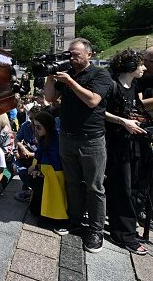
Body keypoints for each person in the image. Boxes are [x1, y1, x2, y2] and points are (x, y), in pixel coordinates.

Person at [44, 37, 112, 253]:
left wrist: (70, 82)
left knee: (94, 187)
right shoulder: (67, 72)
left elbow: (93, 101)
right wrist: (50, 77)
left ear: (89, 55)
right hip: (67, 137)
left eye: (76, 54)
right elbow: (49, 99)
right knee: (72, 182)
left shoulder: (100, 74)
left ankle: (95, 230)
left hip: (91, 139)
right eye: (69, 54)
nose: (71, 58)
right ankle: (74, 220)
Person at [104, 50, 150, 255]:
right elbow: (99, 111)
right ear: (131, 66)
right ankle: (124, 235)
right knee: (122, 188)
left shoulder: (134, 86)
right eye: (141, 64)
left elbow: (137, 111)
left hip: (134, 143)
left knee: (132, 187)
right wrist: (123, 121)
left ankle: (125, 229)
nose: (145, 68)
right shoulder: (113, 86)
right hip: (118, 145)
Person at [26, 111, 68, 234]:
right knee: (34, 210)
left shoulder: (56, 140)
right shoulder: (46, 138)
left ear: (47, 126)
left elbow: (54, 163)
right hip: (45, 176)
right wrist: (36, 168)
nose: (35, 129)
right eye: (34, 126)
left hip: (54, 178)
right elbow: (40, 157)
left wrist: (38, 170)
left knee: (47, 213)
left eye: (38, 127)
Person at [13, 106, 41, 202]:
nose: (32, 121)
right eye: (30, 118)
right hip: (26, 156)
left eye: (34, 119)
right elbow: (17, 139)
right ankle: (28, 184)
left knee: (28, 171)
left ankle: (33, 190)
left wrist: (30, 154)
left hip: (38, 159)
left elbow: (44, 151)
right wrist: (21, 148)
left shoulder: (42, 129)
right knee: (16, 167)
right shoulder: (26, 126)